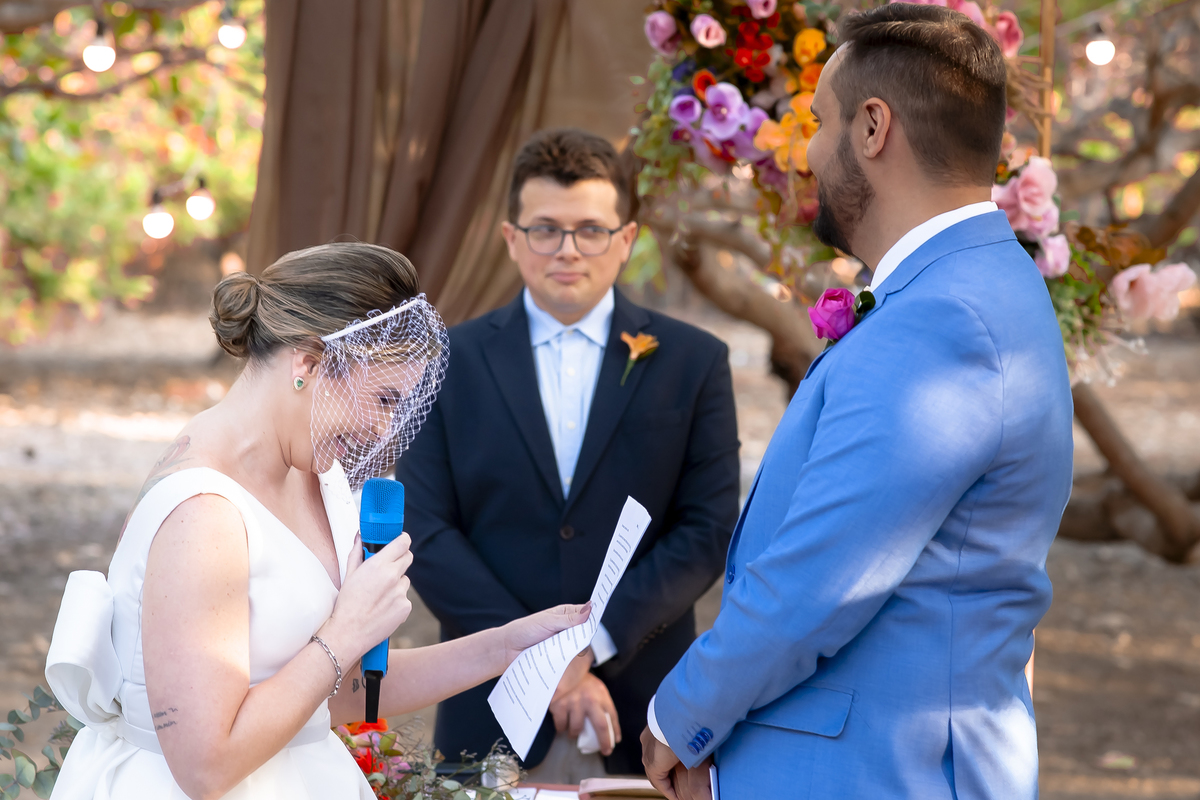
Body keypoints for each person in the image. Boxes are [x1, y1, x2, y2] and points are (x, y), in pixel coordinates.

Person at [640, 6, 1074, 799]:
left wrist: (680, 714)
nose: (805, 153)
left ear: (873, 128)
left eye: (817, 121)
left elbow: (822, 574)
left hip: (872, 773)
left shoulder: (946, 318)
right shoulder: (971, 286)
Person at [44, 242, 591, 800]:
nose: (384, 432)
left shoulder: (319, 478)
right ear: (307, 362)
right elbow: (205, 767)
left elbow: (333, 693)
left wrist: (504, 649)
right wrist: (346, 630)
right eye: (383, 398)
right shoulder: (202, 514)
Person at [396, 128, 740, 779]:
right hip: (486, 706)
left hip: (645, 706)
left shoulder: (695, 362)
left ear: (627, 239)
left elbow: (707, 529)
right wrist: (535, 662)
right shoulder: (444, 362)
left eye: (591, 230)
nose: (568, 250)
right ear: (511, 238)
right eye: (546, 229)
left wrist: (589, 648)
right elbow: (427, 531)